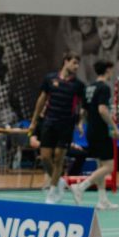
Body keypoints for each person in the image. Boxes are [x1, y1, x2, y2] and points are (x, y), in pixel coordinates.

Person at [30, 52, 85, 204]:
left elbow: (82, 107)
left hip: (66, 125)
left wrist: (80, 123)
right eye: (74, 63)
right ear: (66, 61)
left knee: (59, 157)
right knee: (45, 157)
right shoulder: (50, 79)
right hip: (49, 122)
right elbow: (41, 100)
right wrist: (34, 121)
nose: (76, 66)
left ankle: (52, 191)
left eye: (78, 64)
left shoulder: (78, 85)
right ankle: (59, 180)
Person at [71, 60, 119, 210]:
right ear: (108, 70)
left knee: (101, 166)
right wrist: (114, 128)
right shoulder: (104, 87)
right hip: (100, 131)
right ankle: (81, 186)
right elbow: (102, 110)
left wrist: (80, 123)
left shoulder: (89, 87)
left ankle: (102, 200)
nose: (112, 73)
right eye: (111, 70)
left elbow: (83, 110)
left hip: (91, 130)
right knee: (109, 167)